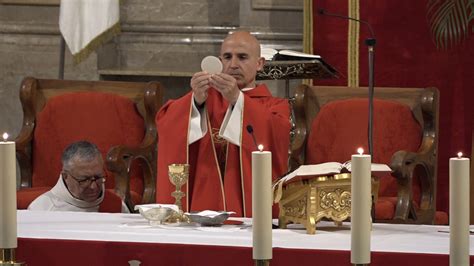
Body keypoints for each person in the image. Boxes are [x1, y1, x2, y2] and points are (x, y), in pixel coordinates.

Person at [156, 31, 290, 217]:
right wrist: (195, 100)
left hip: (250, 212)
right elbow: (167, 125)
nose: (233, 65)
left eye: (242, 57)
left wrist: (237, 98)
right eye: (227, 57)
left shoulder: (274, 106)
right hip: (201, 200)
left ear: (260, 64)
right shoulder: (203, 99)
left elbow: (276, 133)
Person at [28, 141, 129, 213]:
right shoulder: (41, 210)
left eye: (98, 177)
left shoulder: (116, 206)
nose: (93, 187)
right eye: (84, 180)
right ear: (65, 176)